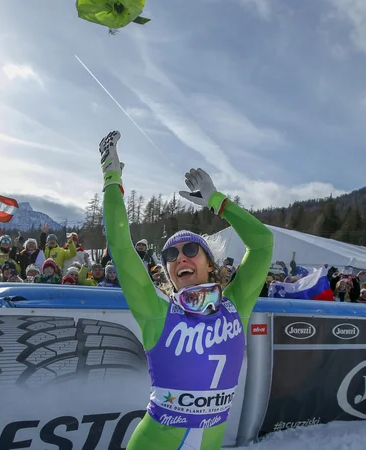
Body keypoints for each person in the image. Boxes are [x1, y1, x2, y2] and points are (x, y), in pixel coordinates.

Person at [98, 131, 272, 450]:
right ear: (169, 273)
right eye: (170, 256)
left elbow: (262, 244)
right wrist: (112, 176)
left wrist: (218, 203)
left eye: (191, 249)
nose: (180, 257)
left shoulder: (236, 304)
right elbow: (121, 248)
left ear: (209, 263)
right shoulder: (157, 312)